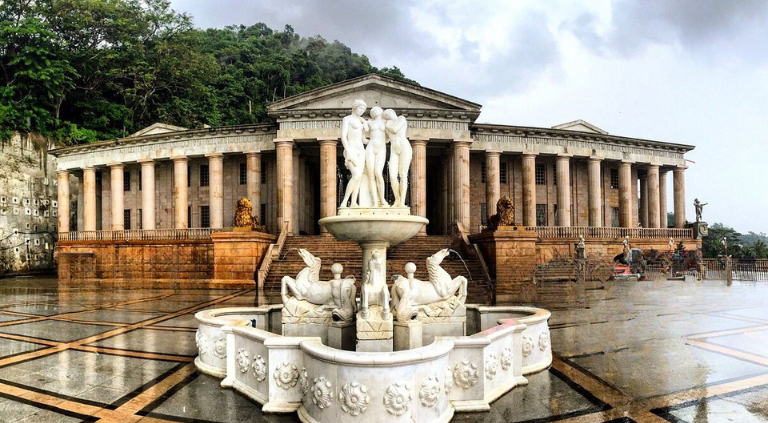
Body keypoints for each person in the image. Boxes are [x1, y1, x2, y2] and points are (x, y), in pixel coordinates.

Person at [339, 100, 368, 208]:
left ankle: (354, 202)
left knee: (359, 177)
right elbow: (343, 136)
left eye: (363, 110)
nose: (362, 111)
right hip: (351, 148)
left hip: (361, 149)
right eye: (360, 108)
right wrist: (348, 151)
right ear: (355, 107)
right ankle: (344, 202)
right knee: (355, 175)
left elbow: (364, 140)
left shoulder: (361, 122)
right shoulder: (347, 119)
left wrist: (379, 141)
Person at [383, 109, 412, 208]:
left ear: (392, 113)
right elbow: (386, 140)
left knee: (403, 175)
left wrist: (386, 125)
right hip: (394, 150)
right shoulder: (387, 125)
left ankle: (402, 202)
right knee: (392, 176)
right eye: (385, 115)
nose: (387, 116)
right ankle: (397, 199)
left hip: (404, 147)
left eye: (387, 114)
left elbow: (395, 130)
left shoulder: (401, 119)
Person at [364, 106, 389, 207]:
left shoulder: (386, 122)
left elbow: (389, 137)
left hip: (381, 148)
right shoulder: (369, 122)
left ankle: (382, 199)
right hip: (370, 147)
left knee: (378, 173)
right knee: (371, 175)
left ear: (381, 111)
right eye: (372, 110)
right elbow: (363, 136)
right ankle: (375, 201)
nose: (374, 110)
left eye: (377, 109)